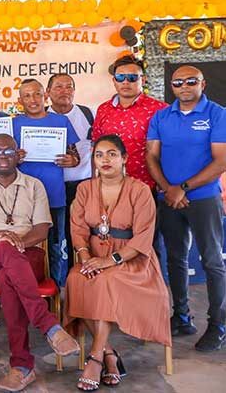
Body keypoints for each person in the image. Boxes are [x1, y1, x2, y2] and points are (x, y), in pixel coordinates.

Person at [0, 134, 80, 392]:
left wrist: (17, 243)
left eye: (9, 151)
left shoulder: (34, 185)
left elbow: (41, 230)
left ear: (19, 155)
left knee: (10, 279)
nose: (4, 156)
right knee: (5, 256)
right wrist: (2, 239)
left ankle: (22, 367)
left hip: (29, 252)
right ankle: (49, 326)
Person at [65, 135, 171, 391]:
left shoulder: (140, 190)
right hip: (92, 255)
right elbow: (77, 228)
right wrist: (86, 257)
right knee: (76, 278)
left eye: (112, 154)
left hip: (131, 260)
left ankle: (96, 358)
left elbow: (144, 237)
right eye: (99, 155)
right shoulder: (84, 189)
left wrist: (109, 260)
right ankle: (109, 354)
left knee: (105, 280)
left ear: (124, 158)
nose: (105, 160)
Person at [147, 65, 226, 351]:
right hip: (169, 198)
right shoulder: (161, 116)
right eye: (178, 82)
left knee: (212, 260)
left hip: (203, 198)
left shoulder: (217, 114)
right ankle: (181, 316)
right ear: (172, 86)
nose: (184, 86)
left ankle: (218, 324)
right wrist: (169, 189)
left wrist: (184, 187)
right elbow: (151, 155)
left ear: (202, 84)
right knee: (176, 258)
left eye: (191, 81)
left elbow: (220, 161)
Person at [12, 79, 80, 287]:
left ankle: (56, 292)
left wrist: (72, 161)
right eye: (27, 95)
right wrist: (15, 158)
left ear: (45, 95)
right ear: (20, 99)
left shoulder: (61, 121)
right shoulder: (13, 124)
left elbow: (75, 156)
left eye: (37, 94)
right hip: (23, 196)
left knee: (55, 245)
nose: (33, 100)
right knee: (23, 245)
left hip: (54, 195)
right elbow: (4, 160)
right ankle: (26, 289)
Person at [92, 55, 167, 190]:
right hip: (109, 186)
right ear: (114, 81)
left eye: (132, 78)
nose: (125, 82)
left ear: (143, 80)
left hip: (147, 186)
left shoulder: (159, 110)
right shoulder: (103, 109)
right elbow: (96, 146)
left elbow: (171, 148)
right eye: (120, 77)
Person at [47, 73, 95, 271]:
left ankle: (80, 281)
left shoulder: (88, 114)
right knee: (54, 238)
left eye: (69, 86)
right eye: (58, 87)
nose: (64, 91)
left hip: (81, 185)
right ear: (48, 92)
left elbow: (97, 148)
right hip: (50, 186)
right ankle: (56, 286)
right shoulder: (40, 116)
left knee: (79, 235)